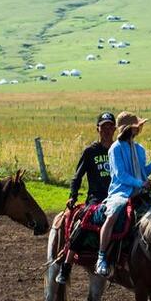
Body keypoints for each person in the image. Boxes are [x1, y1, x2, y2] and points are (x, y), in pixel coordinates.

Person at [96, 112, 151, 277]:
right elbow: (121, 175)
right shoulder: (115, 149)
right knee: (112, 216)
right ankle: (101, 257)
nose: (140, 128)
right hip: (120, 192)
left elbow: (141, 172)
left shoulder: (139, 149)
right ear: (127, 128)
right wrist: (142, 183)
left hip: (139, 191)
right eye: (136, 126)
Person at [54, 112, 116, 284]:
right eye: (103, 127)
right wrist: (73, 196)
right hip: (96, 198)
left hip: (116, 196)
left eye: (110, 126)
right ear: (97, 129)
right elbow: (77, 177)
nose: (107, 130)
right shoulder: (90, 152)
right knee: (85, 221)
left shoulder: (118, 149)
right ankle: (66, 266)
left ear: (115, 129)